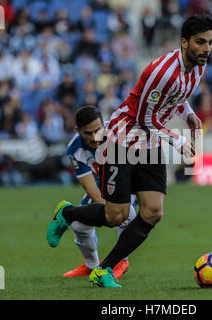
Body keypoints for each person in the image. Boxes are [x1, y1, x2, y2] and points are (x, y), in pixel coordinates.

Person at [46, 14, 212, 288]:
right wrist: (177, 139)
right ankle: (68, 214)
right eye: (200, 42)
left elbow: (178, 98)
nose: (206, 48)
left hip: (150, 143)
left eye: (210, 42)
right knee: (117, 216)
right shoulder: (161, 72)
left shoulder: (198, 67)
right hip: (123, 140)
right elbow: (144, 119)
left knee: (152, 212)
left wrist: (190, 115)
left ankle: (104, 270)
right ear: (184, 42)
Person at [63, 106, 136, 279]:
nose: (95, 137)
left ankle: (122, 261)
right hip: (102, 184)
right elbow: (90, 188)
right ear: (78, 130)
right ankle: (91, 265)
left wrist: (116, 212)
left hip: (130, 181)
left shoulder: (120, 137)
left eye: (98, 130)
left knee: (127, 215)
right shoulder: (74, 149)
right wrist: (107, 211)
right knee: (79, 224)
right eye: (88, 133)